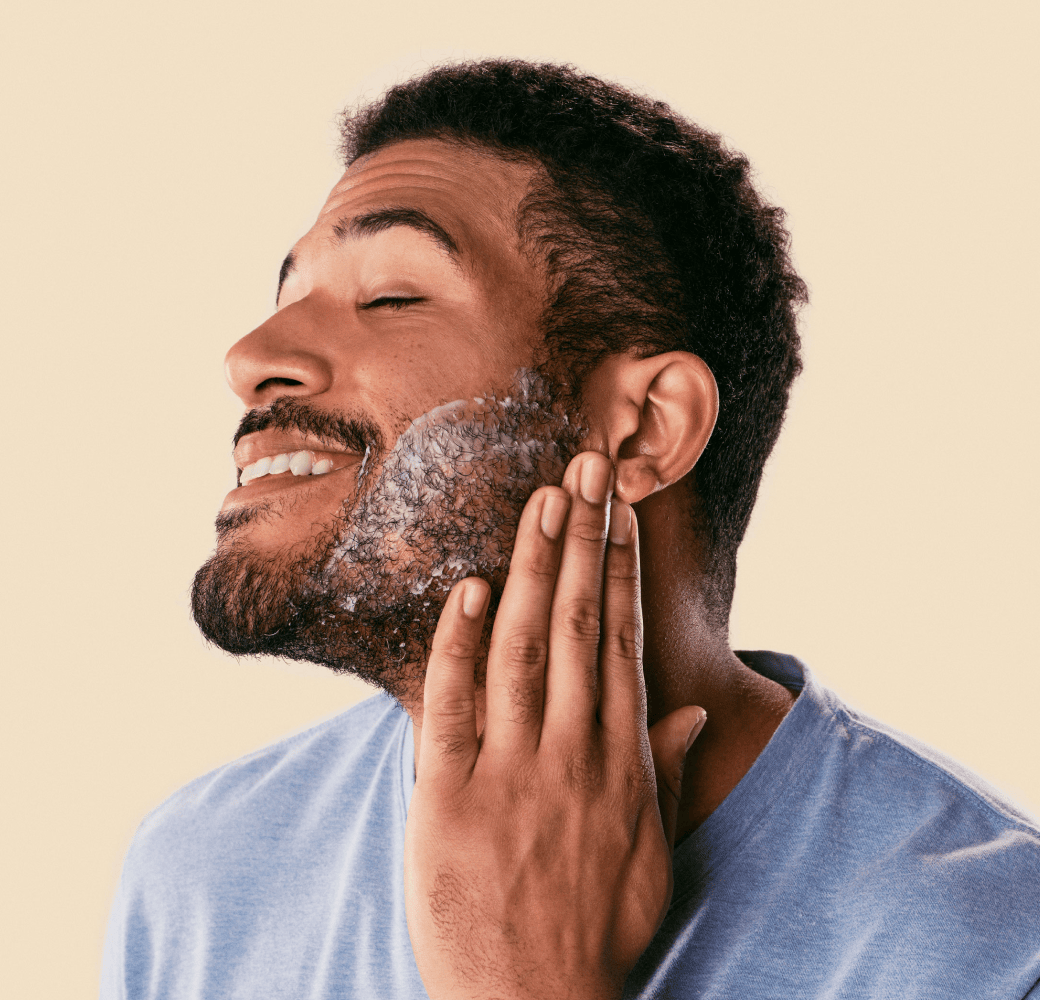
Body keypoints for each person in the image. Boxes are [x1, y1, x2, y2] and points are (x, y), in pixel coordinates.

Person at [100, 60, 1040, 999]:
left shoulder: (995, 952)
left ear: (643, 428)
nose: (250, 358)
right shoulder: (199, 875)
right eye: (285, 295)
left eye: (391, 296)